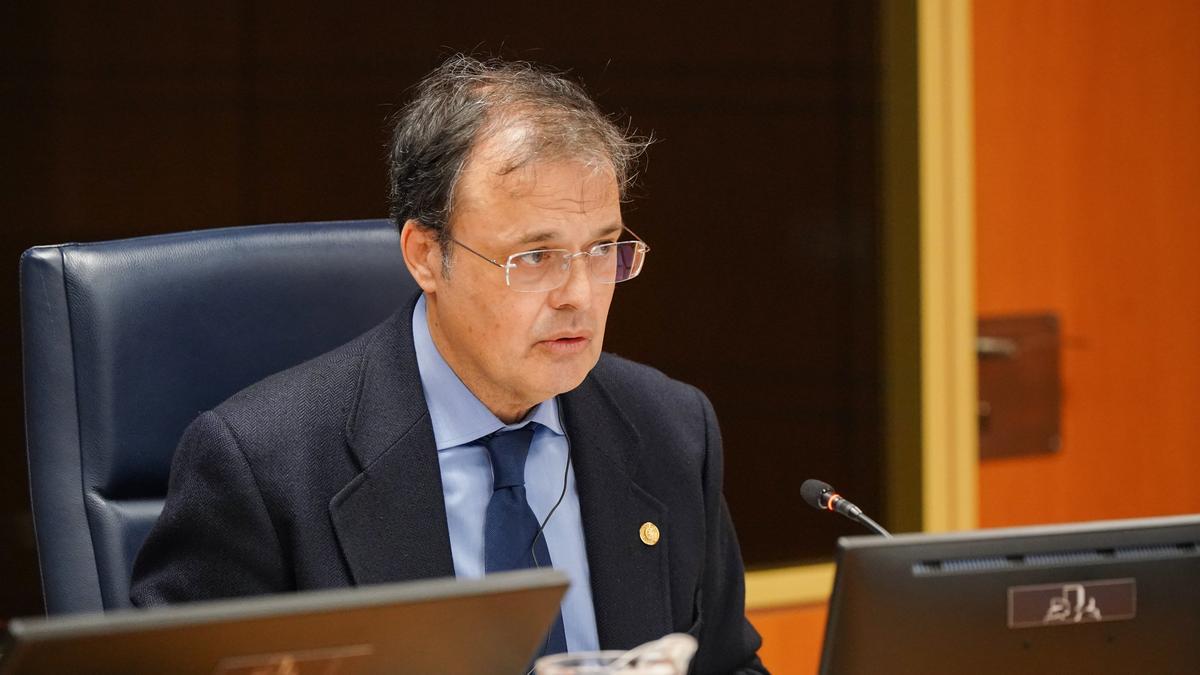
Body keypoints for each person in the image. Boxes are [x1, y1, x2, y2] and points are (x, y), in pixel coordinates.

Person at [131, 55, 766, 674]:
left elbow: (730, 665)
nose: (579, 294)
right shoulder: (265, 466)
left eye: (602, 249)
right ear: (426, 256)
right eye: (536, 256)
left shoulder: (671, 430)